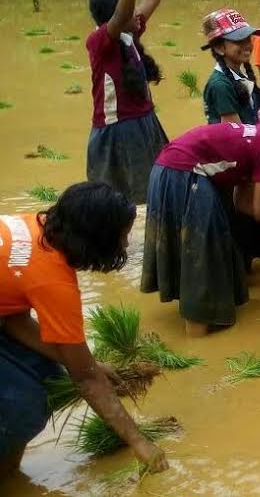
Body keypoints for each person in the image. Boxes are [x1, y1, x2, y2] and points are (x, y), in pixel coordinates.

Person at [1, 182, 169, 477]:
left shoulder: (37, 227)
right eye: (122, 237)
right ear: (97, 237)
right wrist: (140, 443)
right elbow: (87, 382)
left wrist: (87, 362)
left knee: (45, 373)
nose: (126, 245)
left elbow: (13, 320)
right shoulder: (52, 281)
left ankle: (11, 473)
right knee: (23, 407)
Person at [141, 120, 260, 336]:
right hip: (185, 175)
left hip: (166, 170)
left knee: (201, 253)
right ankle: (197, 335)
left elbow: (244, 204)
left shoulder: (259, 136)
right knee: (203, 255)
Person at [85, 0, 173, 205]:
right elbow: (124, 12)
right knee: (113, 199)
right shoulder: (100, 41)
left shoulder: (128, 35)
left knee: (149, 191)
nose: (137, 13)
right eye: (130, 8)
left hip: (144, 123)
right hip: (117, 130)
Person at [201, 8, 260, 125]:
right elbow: (235, 134)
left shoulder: (240, 77)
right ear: (219, 48)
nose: (247, 45)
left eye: (248, 39)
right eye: (238, 41)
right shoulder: (220, 86)